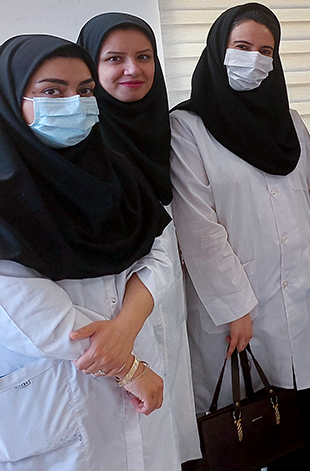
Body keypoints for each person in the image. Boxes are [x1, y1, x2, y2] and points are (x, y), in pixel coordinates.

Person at [170, 3, 310, 470]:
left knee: (296, 439)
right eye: (243, 47)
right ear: (218, 49)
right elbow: (198, 227)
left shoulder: (290, 121)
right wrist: (235, 308)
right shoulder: (187, 127)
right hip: (236, 312)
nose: (255, 60)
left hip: (302, 298)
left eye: (266, 51)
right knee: (241, 439)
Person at [0, 35, 178, 470]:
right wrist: (127, 367)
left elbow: (159, 253)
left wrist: (127, 327)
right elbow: (22, 308)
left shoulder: (115, 171)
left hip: (136, 363)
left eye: (84, 91)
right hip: (59, 390)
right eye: (51, 91)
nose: (74, 104)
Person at [78, 13, 201, 465]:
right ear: (90, 68)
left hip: (163, 302)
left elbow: (165, 237)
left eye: (144, 57)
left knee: (167, 436)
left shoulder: (166, 132)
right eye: (115, 59)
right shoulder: (77, 147)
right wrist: (126, 334)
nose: (133, 69)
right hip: (104, 328)